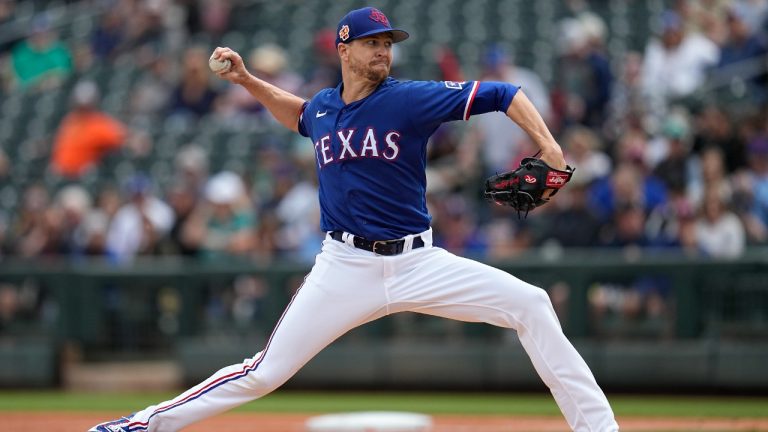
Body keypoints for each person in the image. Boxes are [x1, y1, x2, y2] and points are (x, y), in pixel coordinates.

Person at [89, 7, 618, 432]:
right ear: (345, 50)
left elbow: (504, 94)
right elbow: (297, 113)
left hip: (419, 261)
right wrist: (248, 80)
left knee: (531, 302)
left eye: (388, 42)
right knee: (265, 371)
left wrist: (549, 147)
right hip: (344, 266)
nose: (384, 50)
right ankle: (140, 425)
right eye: (373, 42)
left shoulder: (409, 100)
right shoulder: (322, 109)